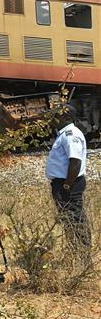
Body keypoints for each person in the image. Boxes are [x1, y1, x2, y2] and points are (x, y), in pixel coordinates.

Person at [45, 104, 90, 249]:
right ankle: (75, 249)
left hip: (69, 184)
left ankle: (83, 252)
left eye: (57, 115)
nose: (53, 118)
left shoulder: (71, 135)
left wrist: (66, 185)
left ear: (67, 118)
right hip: (64, 183)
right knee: (68, 219)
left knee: (75, 219)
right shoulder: (63, 134)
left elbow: (75, 161)